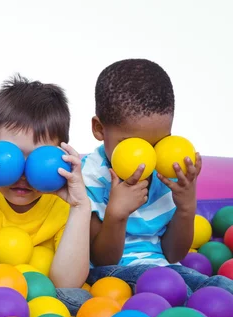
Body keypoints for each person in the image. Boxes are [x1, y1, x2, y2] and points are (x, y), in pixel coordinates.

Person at [82, 58, 233, 295]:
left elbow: (174, 254)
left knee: (219, 288)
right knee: (171, 288)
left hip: (165, 270)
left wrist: (185, 207)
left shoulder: (165, 175)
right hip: (111, 277)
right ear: (99, 129)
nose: (149, 159)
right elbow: (101, 260)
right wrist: (116, 214)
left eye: (160, 143)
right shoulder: (89, 177)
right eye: (134, 145)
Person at [0, 74, 93, 314]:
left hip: (41, 299)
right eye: (11, 156)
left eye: (37, 159)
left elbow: (67, 284)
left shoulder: (62, 200)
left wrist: (80, 208)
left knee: (78, 298)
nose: (23, 173)